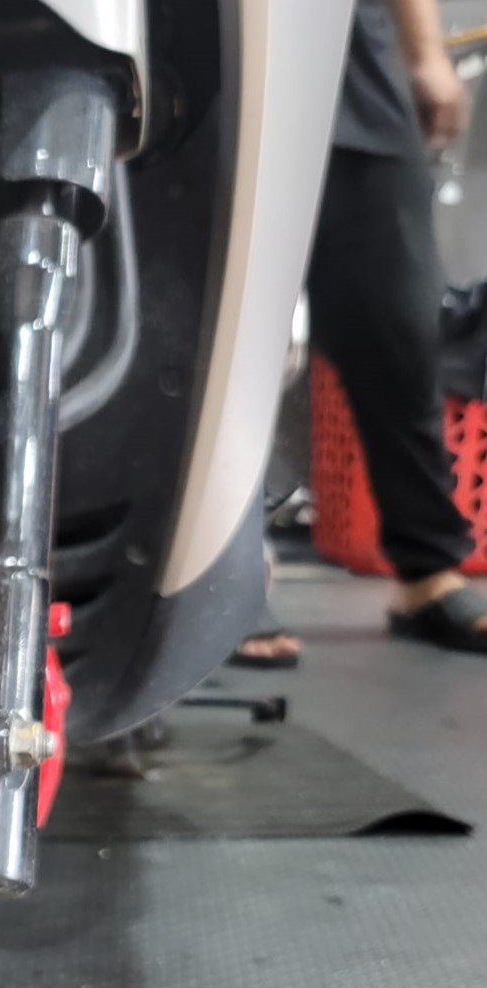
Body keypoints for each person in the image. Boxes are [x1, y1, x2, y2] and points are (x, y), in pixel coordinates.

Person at [236, 0, 487, 666]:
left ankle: (427, 572)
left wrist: (424, 54)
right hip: (219, 42)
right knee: (225, 333)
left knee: (399, 319)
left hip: (351, 51)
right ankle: (217, 582)